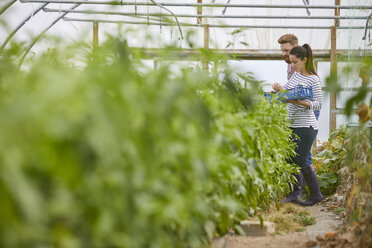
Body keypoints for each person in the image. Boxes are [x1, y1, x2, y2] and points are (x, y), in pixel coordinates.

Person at [272, 44, 324, 206]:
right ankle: (296, 195)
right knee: (291, 159)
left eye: (295, 62)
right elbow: (286, 91)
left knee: (299, 160)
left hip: (306, 126)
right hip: (292, 124)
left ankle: (312, 195)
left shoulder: (313, 79)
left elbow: (318, 104)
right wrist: (278, 88)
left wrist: (300, 102)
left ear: (305, 60)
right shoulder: (295, 76)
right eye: (291, 62)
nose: (292, 66)